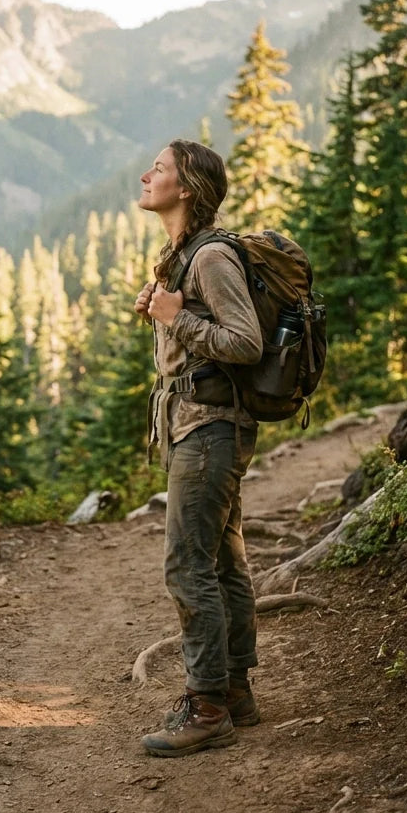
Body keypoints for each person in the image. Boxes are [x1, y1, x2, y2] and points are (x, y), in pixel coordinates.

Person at [134, 138, 264, 759]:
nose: (146, 175)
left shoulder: (210, 257)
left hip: (210, 429)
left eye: (158, 169)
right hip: (200, 423)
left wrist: (174, 319)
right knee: (220, 561)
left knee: (188, 564)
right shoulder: (182, 254)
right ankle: (234, 691)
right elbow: (193, 331)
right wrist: (165, 314)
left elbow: (245, 342)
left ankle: (207, 706)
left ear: (186, 187)